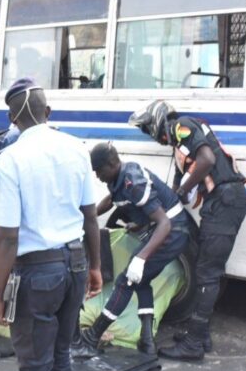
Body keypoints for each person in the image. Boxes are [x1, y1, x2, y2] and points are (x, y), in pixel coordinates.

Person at [0, 78, 102, 371]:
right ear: (48, 113)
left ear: (11, 119)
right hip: (75, 266)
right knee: (60, 354)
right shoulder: (77, 149)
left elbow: (6, 237)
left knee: (34, 366)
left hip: (36, 274)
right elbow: (90, 217)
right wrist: (97, 267)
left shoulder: (9, 159)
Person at [129, 100, 246, 361]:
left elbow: (206, 160)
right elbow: (177, 195)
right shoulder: (181, 149)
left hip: (225, 201)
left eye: (148, 129)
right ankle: (200, 334)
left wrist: (182, 190)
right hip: (221, 203)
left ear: (158, 121)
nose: (151, 136)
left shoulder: (181, 126)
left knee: (207, 273)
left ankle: (194, 343)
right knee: (207, 269)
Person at [71, 142, 189, 359]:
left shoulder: (132, 182)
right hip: (167, 230)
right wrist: (88, 217)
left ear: (111, 164)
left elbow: (164, 223)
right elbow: (112, 200)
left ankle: (92, 337)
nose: (97, 176)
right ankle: (146, 341)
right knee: (140, 281)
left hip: (172, 231)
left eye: (98, 171)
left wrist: (141, 258)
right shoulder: (119, 178)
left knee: (126, 281)